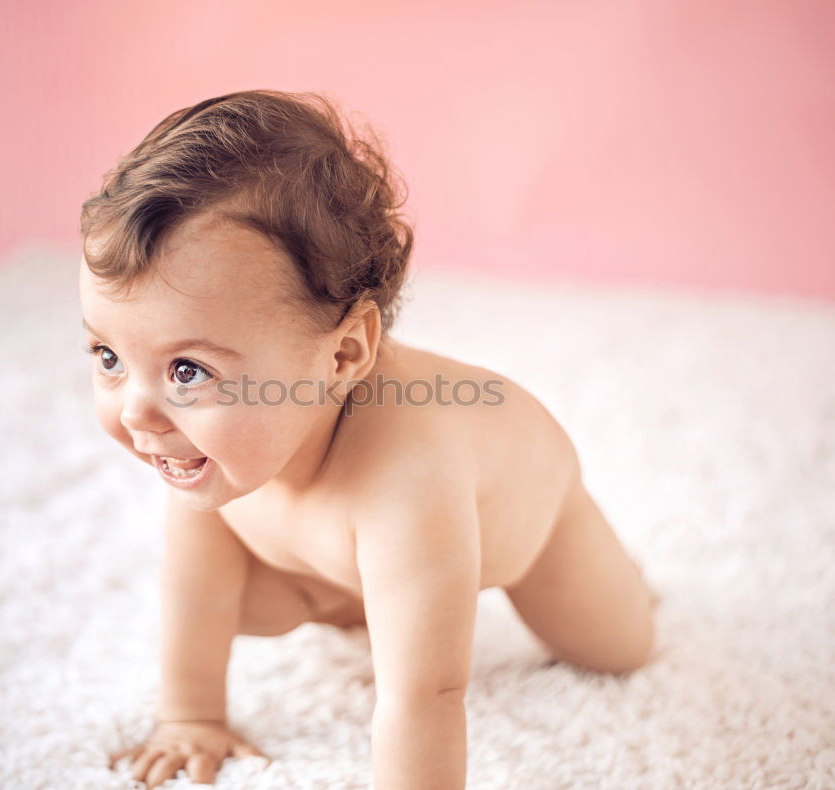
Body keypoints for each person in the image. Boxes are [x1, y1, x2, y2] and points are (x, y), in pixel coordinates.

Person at [80, 89, 659, 789]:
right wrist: (190, 716)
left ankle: (624, 576)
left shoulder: (409, 484)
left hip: (536, 525)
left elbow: (426, 698)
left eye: (187, 370)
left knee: (619, 647)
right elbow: (192, 597)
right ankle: (365, 592)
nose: (139, 412)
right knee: (237, 605)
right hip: (344, 554)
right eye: (108, 357)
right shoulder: (209, 448)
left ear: (345, 354)